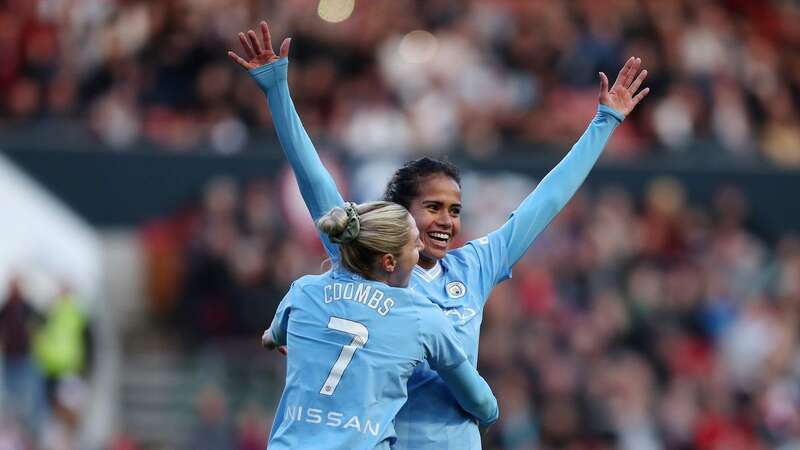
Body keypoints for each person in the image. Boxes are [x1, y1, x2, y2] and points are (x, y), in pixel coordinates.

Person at [229, 20, 649, 449]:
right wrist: (278, 93)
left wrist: (604, 122)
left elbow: (546, 201)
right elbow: (313, 179)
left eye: (455, 210)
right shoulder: (362, 260)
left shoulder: (474, 266)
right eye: (432, 208)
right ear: (400, 214)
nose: (447, 221)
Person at [260, 201, 499, 450]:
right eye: (414, 242)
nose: (420, 246)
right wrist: (490, 414)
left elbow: (271, 338)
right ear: (389, 262)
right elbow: (480, 401)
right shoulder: (421, 316)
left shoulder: (303, 291)